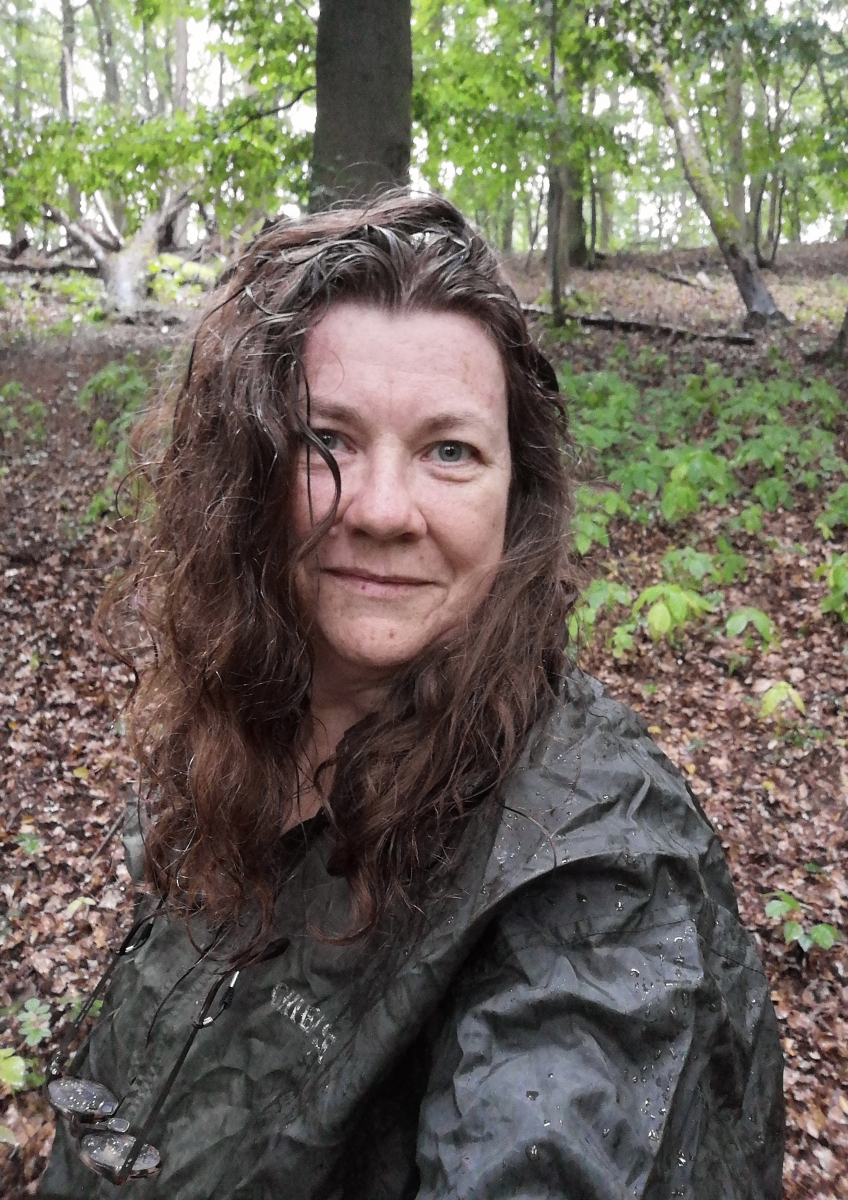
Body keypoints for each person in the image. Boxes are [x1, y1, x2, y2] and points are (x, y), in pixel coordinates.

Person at [41, 193, 784, 1200]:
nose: (384, 511)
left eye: (450, 451)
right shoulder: (241, 715)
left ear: (517, 497)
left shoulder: (598, 868)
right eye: (328, 440)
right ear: (247, 473)